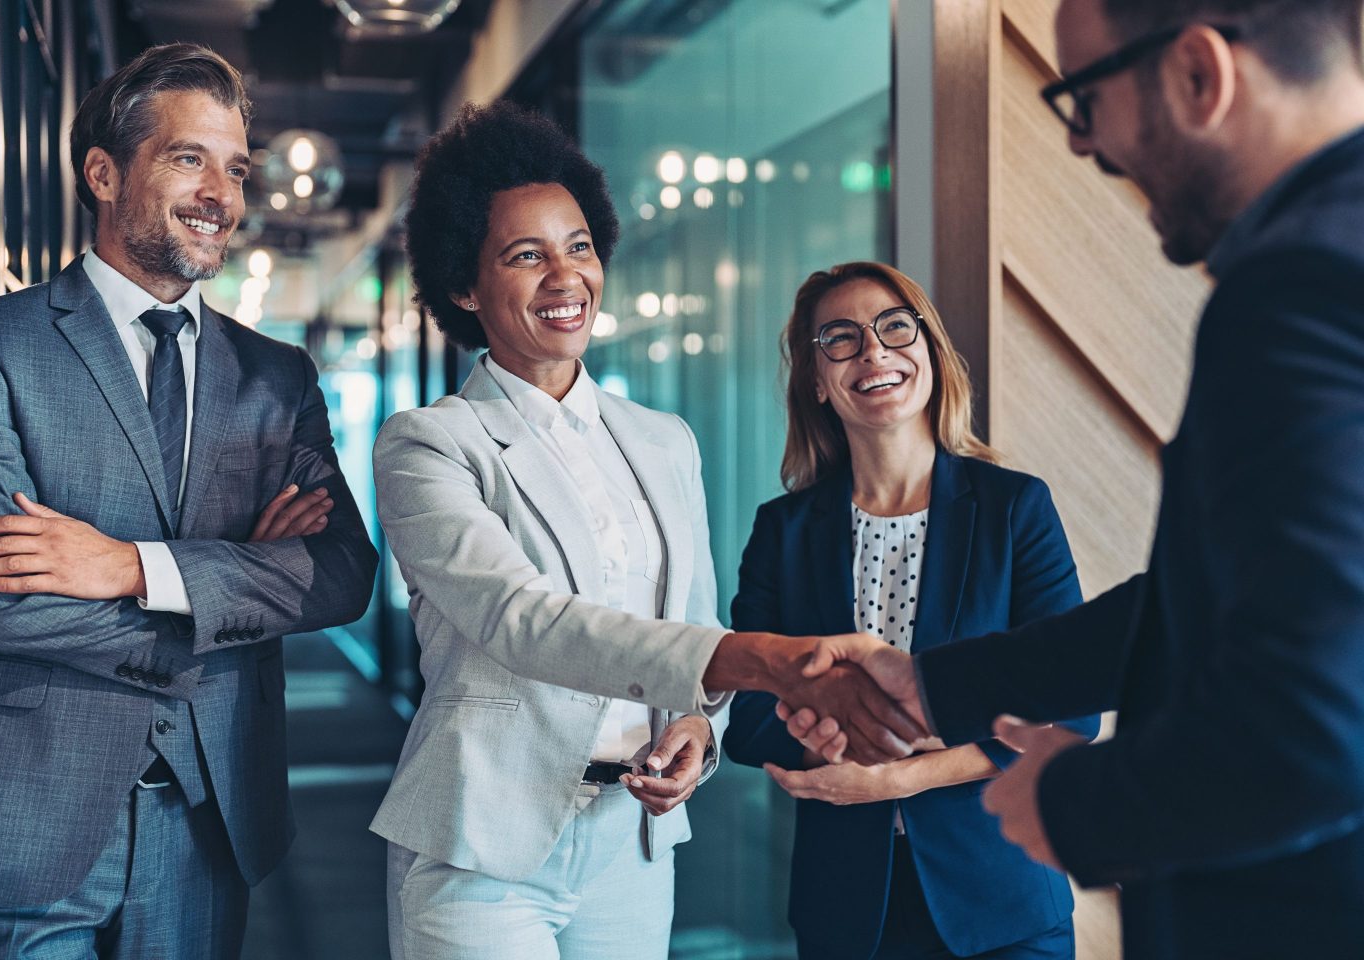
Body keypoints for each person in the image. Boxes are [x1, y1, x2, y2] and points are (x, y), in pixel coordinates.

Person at [782, 1, 1364, 957]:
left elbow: (1318, 716)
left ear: (1197, 74)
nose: (1084, 141)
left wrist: (1074, 802)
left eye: (1081, 97)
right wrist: (932, 683)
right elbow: (1211, 600)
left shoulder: (1300, 291)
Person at [368, 101, 928, 960]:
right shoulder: (431, 445)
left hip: (632, 843)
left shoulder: (663, 441)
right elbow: (524, 621)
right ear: (463, 285)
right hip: (485, 845)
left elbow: (692, 632)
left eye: (580, 246)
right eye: (527, 255)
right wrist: (764, 657)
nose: (566, 278)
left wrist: (699, 734)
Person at [0, 43, 378, 958]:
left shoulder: (277, 376)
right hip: (19, 824)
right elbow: (1, 609)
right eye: (188, 158)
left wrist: (129, 568)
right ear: (103, 171)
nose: (223, 193)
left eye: (237, 168)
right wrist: (236, 590)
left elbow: (339, 576)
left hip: (208, 827)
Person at [724, 262, 1097, 960]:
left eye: (895, 327)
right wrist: (865, 738)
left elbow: (1069, 711)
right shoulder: (784, 530)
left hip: (1003, 904)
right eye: (840, 338)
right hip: (847, 908)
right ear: (815, 379)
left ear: (929, 350)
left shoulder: (1014, 509)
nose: (873, 352)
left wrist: (892, 774)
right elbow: (744, 712)